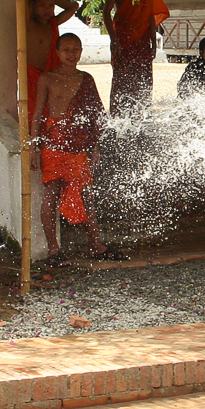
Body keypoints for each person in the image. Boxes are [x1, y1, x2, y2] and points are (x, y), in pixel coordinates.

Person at [30, 34, 125, 266]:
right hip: (53, 143)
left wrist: (95, 147)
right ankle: (54, 249)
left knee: (87, 195)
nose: (71, 54)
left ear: (81, 51)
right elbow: (37, 114)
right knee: (50, 195)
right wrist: (33, 147)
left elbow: (94, 116)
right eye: (66, 50)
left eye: (76, 49)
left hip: (78, 145)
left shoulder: (86, 79)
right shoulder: (47, 78)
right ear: (58, 52)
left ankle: (96, 244)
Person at [103, 0, 170, 117]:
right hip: (123, 36)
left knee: (143, 78)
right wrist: (113, 38)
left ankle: (141, 116)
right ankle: (117, 117)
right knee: (121, 79)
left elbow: (150, 15)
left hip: (142, 38)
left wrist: (153, 40)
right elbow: (106, 12)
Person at [26, 0, 79, 118]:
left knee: (55, 112)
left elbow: (74, 6)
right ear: (33, 5)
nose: (47, 9)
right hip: (32, 76)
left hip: (52, 74)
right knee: (35, 112)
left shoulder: (53, 23)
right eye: (42, 5)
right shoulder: (28, 23)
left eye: (50, 5)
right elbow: (25, 0)